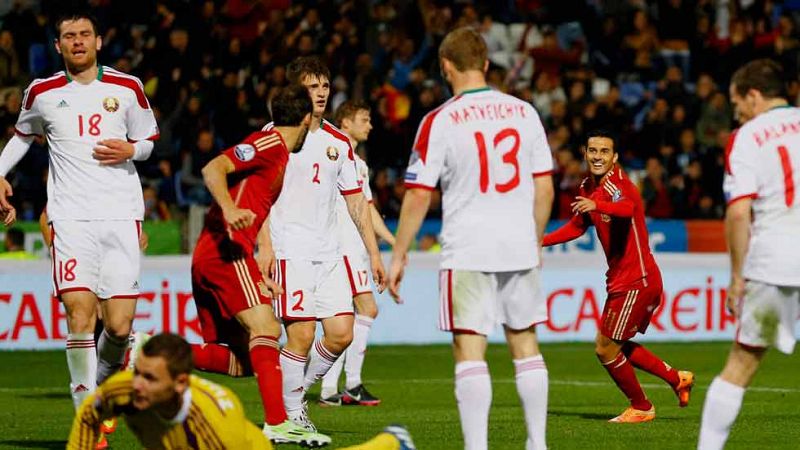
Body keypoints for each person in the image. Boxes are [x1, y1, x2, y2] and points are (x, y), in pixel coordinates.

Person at [388, 27, 554, 450]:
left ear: (445, 66)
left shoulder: (440, 120)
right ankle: (537, 443)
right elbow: (545, 187)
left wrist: (399, 252)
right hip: (518, 244)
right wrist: (535, 239)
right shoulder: (524, 112)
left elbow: (419, 194)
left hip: (468, 248)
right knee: (525, 343)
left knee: (469, 348)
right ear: (485, 63)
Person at [0, 12, 158, 417]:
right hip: (70, 219)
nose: (78, 41)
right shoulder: (42, 92)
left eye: (85, 34)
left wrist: (131, 149)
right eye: (69, 36)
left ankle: (103, 384)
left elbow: (148, 141)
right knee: (80, 314)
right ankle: (86, 413)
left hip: (120, 216)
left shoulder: (127, 87)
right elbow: (22, 137)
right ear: (58, 46)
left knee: (119, 326)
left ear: (98, 41)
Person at [188, 84, 330, 447]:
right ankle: (279, 423)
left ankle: (147, 352)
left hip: (224, 255)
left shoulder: (278, 155)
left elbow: (248, 195)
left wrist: (257, 264)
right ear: (305, 118)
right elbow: (212, 167)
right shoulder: (269, 144)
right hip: (225, 252)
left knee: (244, 360)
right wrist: (229, 209)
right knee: (267, 327)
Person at [265, 57, 386, 431]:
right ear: (295, 90)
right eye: (312, 86)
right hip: (290, 252)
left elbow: (356, 201)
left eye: (324, 86)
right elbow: (258, 194)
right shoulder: (275, 135)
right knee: (301, 336)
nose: (320, 93)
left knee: (341, 334)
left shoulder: (338, 142)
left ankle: (293, 395)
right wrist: (263, 246)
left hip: (330, 254)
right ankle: (290, 416)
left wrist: (374, 253)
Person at [542, 130, 694, 423]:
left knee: (605, 348)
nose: (597, 156)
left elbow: (626, 208)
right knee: (613, 343)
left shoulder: (619, 185)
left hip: (637, 280)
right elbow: (577, 226)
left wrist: (597, 205)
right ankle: (677, 379)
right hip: (624, 280)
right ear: (585, 153)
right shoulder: (587, 186)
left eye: (604, 151)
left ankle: (642, 407)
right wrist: (541, 240)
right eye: (592, 150)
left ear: (614, 157)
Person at [68, 332, 417, 450]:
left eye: (150, 378)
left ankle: (390, 441)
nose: (137, 384)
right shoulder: (123, 390)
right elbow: (87, 418)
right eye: (138, 372)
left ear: (179, 384)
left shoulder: (212, 426)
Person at [698, 59, 800, 450]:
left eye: (736, 102)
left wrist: (737, 277)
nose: (736, 111)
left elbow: (739, 212)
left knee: (742, 363)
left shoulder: (749, 136)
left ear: (754, 95)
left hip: (776, 263)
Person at [320, 100, 397, 407]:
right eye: (364, 120)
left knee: (346, 317)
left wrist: (392, 240)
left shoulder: (359, 164)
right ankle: (349, 384)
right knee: (366, 309)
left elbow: (367, 208)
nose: (370, 125)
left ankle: (331, 388)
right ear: (345, 123)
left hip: (356, 248)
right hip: (343, 248)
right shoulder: (332, 155)